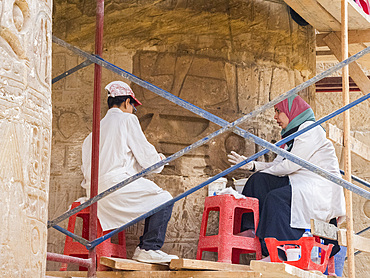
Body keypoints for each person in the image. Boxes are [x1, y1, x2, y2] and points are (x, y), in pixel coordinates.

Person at [228, 94, 346, 260]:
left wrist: (261, 168)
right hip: (298, 181)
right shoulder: (290, 136)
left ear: (293, 112)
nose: (275, 117)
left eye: (278, 111)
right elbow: (278, 165)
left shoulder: (311, 129)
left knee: (276, 198)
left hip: (319, 187)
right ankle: (251, 229)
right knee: (258, 180)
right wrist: (253, 166)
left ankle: (280, 252)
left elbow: (290, 166)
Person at [81, 81, 179, 264]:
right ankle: (149, 248)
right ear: (127, 102)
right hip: (116, 186)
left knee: (155, 197)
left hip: (94, 192)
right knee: (164, 198)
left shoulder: (93, 133)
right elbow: (149, 161)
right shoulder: (128, 120)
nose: (133, 110)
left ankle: (147, 248)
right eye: (133, 106)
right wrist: (160, 160)